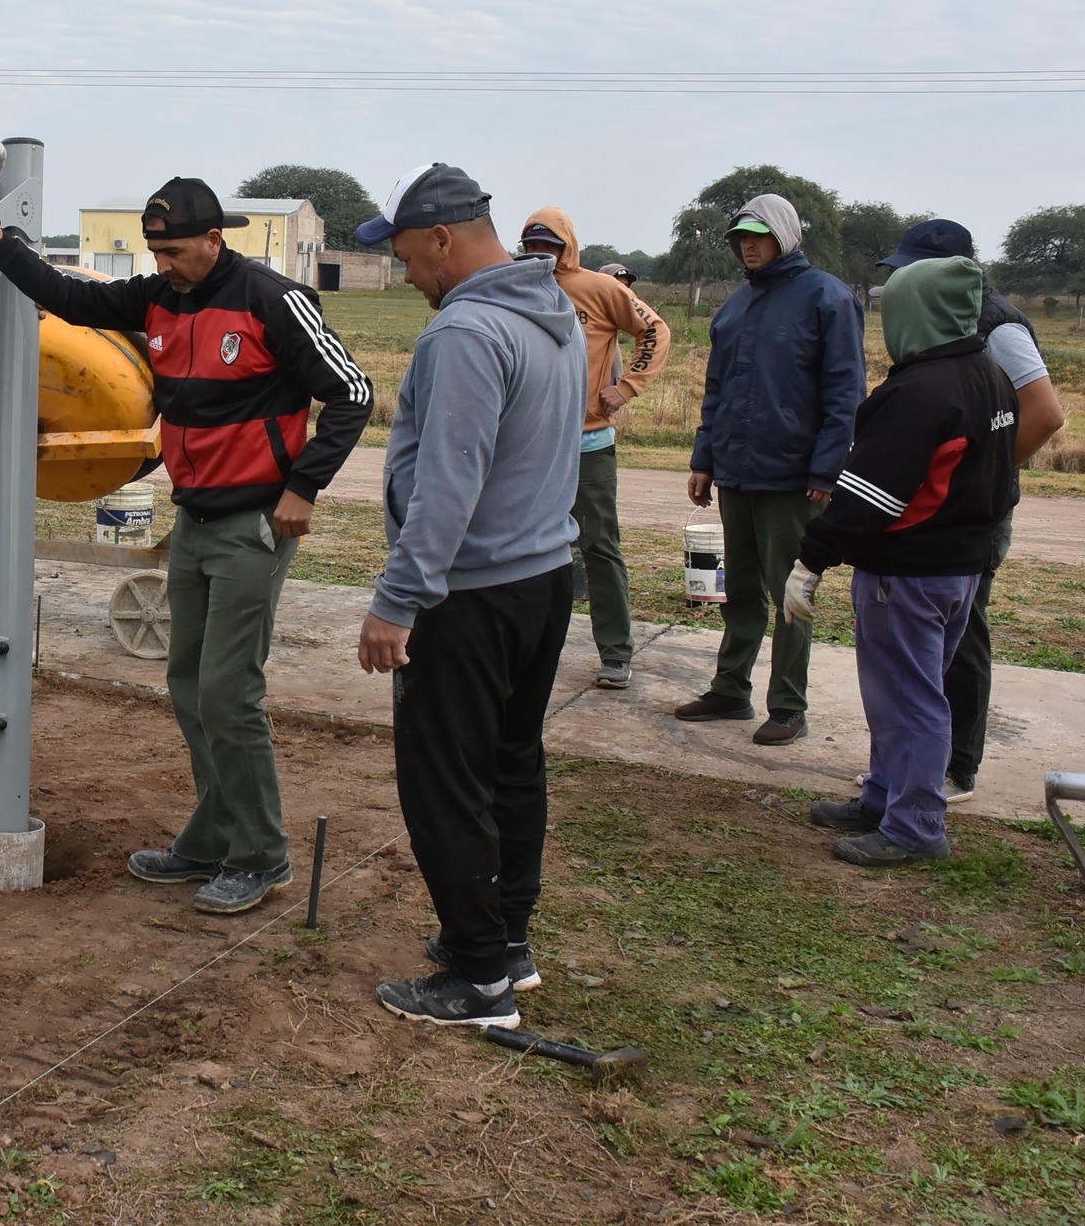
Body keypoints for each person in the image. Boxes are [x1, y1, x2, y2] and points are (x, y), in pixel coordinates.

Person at [0, 178, 372, 915]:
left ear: (214, 239)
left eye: (175, 251)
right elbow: (69, 297)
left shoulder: (271, 300)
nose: (164, 265)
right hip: (195, 521)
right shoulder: (157, 299)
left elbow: (353, 392)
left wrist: (303, 488)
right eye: (156, 252)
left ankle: (261, 855)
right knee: (188, 686)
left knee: (229, 693)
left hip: (253, 524)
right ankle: (213, 838)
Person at [355, 164, 586, 1029]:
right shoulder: (552, 309)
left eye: (408, 257)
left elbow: (449, 482)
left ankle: (478, 980)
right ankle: (506, 945)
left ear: (444, 239)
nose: (408, 275)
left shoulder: (463, 332)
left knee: (445, 781)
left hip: (469, 592)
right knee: (512, 762)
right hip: (542, 576)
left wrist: (399, 600)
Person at [790, 257, 1019, 865]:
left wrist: (810, 561)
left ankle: (915, 826)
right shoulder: (990, 375)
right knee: (911, 691)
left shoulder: (917, 392)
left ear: (915, 313)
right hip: (960, 568)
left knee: (909, 700)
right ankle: (884, 797)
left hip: (909, 573)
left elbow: (871, 497)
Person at [876, 220, 1065, 803]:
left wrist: (985, 474)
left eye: (908, 269)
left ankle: (957, 765)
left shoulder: (996, 325)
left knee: (961, 635)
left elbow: (1046, 413)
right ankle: (914, 765)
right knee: (932, 640)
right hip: (949, 505)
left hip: (970, 512)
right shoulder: (949, 319)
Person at [677, 195, 864, 745]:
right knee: (739, 589)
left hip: (794, 476)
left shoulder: (827, 297)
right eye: (740, 237)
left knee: (791, 592)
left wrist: (827, 469)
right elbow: (716, 389)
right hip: (737, 471)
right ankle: (730, 689)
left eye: (759, 235)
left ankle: (787, 705)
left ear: (784, 235)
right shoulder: (736, 305)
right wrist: (705, 458)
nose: (748, 246)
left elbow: (845, 392)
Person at [520, 209, 671, 690]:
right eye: (532, 246)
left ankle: (616, 652)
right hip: (530, 444)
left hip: (588, 443)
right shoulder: (516, 287)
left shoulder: (601, 289)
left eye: (550, 246)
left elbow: (655, 330)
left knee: (599, 547)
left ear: (567, 247)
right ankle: (525, 646)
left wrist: (626, 387)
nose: (541, 255)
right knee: (525, 547)